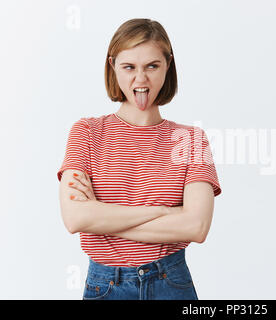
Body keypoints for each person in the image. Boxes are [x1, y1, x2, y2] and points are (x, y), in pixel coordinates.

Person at [57, 18, 222, 300]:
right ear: (113, 66)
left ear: (168, 65)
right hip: (106, 286)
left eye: (152, 66)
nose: (141, 79)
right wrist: (167, 212)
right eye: (129, 67)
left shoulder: (191, 139)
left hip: (171, 283)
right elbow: (76, 218)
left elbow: (196, 226)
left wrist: (103, 214)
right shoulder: (86, 131)